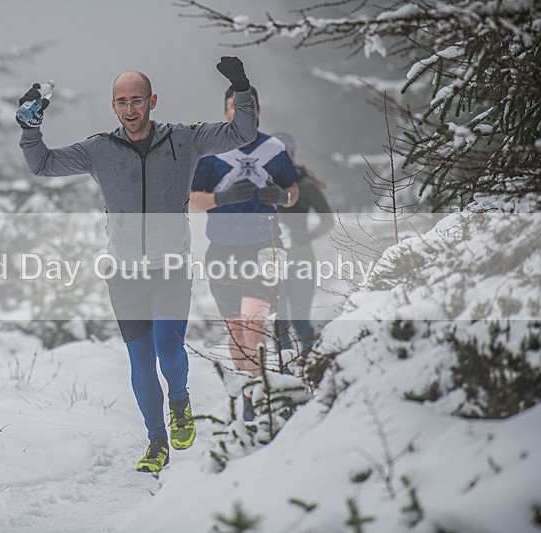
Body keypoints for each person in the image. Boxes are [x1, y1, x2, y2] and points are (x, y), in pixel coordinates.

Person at [18, 57, 258, 472]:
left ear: (152, 101)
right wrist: (29, 129)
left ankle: (180, 402)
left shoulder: (185, 140)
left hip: (171, 269)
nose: (130, 109)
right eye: (122, 102)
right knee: (140, 361)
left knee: (167, 347)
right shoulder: (99, 150)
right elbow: (42, 164)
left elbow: (243, 131)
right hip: (124, 275)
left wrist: (241, 88)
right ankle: (155, 441)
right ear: (113, 106)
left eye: (137, 100)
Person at [190, 87, 299, 422]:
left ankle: (264, 391)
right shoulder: (211, 154)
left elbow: (294, 193)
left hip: (264, 245)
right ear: (225, 113)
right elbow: (192, 201)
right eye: (233, 109)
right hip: (222, 249)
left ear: (257, 111)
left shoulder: (273, 149)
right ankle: (250, 395)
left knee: (254, 322)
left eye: (247, 108)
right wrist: (221, 200)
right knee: (237, 331)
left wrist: (281, 195)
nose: (240, 114)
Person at [272, 132, 333, 357]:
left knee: (299, 322)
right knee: (279, 325)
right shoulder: (263, 186)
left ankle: (312, 367)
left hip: (301, 261)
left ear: (292, 154)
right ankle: (284, 380)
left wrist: (307, 235)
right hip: (272, 263)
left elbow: (327, 219)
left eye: (284, 151)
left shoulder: (305, 185)